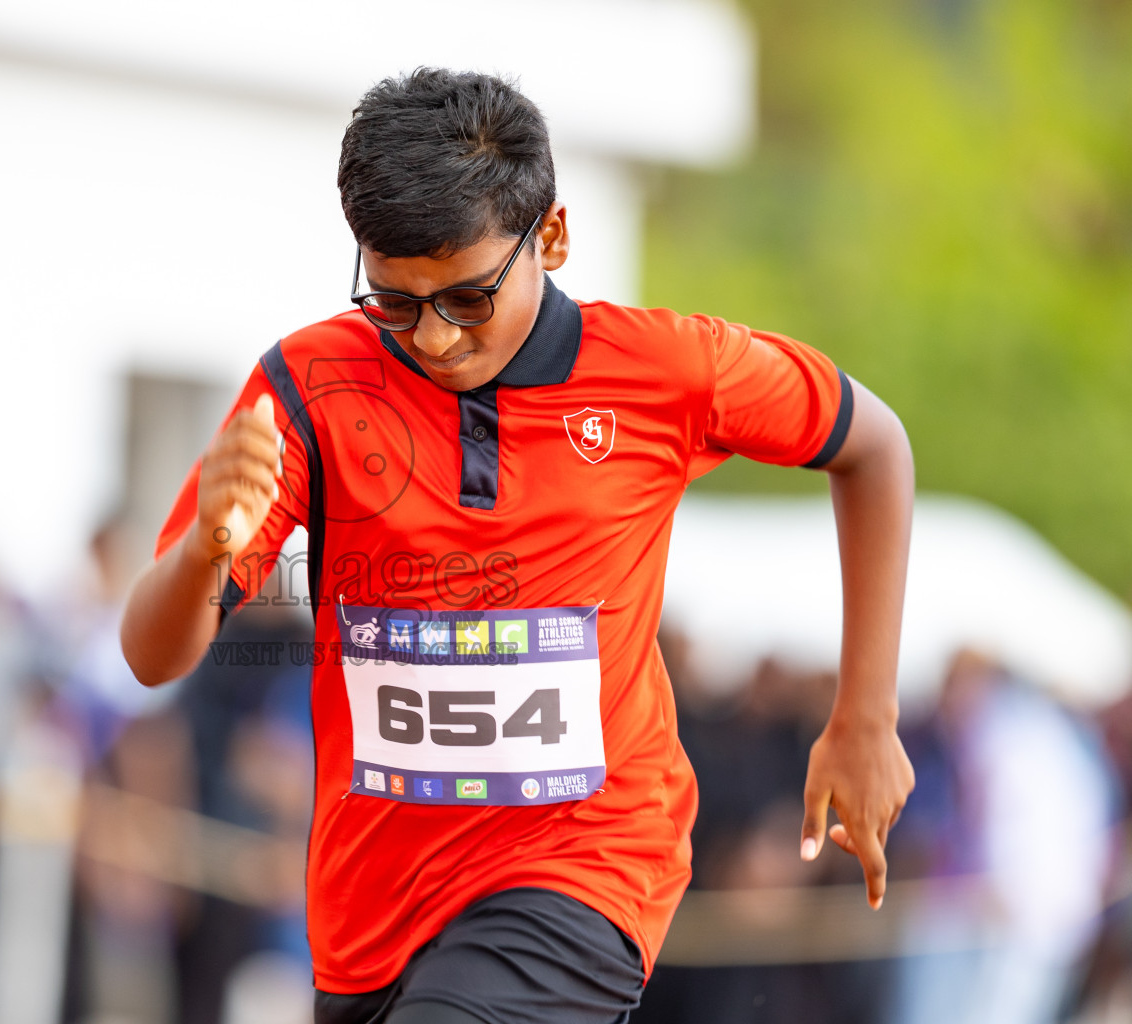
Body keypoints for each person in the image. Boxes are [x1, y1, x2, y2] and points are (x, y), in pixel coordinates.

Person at [121, 69, 916, 1024]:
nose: (434, 340)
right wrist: (211, 549)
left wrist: (864, 714)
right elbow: (151, 656)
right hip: (369, 914)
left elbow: (874, 447)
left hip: (584, 874)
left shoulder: (667, 372)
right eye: (395, 302)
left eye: (465, 298)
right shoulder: (311, 384)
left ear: (554, 238)